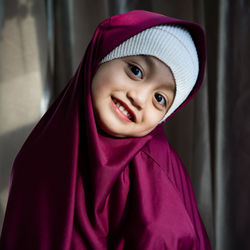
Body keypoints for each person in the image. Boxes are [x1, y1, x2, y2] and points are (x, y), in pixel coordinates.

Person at [0, 10, 211, 249]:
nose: (138, 97)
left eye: (160, 99)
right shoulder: (40, 151)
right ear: (101, 56)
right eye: (136, 71)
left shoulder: (148, 169)